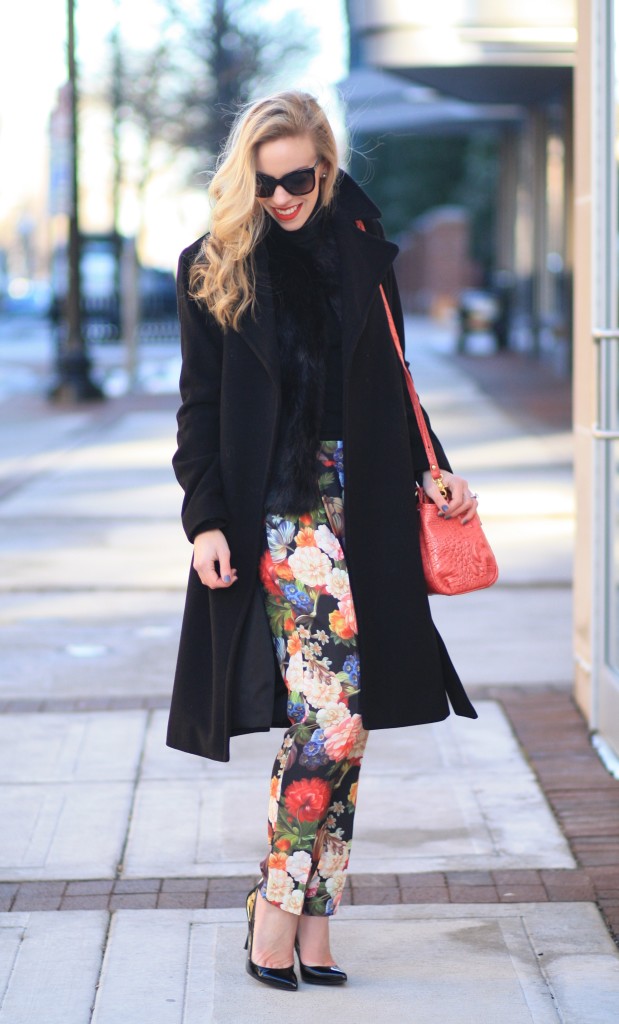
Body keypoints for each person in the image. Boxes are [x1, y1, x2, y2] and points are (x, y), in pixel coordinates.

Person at [167, 90, 479, 992]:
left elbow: (394, 381)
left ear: (326, 165)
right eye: (264, 183)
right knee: (330, 720)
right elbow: (199, 412)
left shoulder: (360, 253)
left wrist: (436, 468)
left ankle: (311, 922)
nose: (282, 197)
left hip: (369, 503)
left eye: (298, 178)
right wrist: (206, 520)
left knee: (345, 724)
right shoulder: (214, 267)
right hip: (280, 510)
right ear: (244, 178)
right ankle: (276, 907)